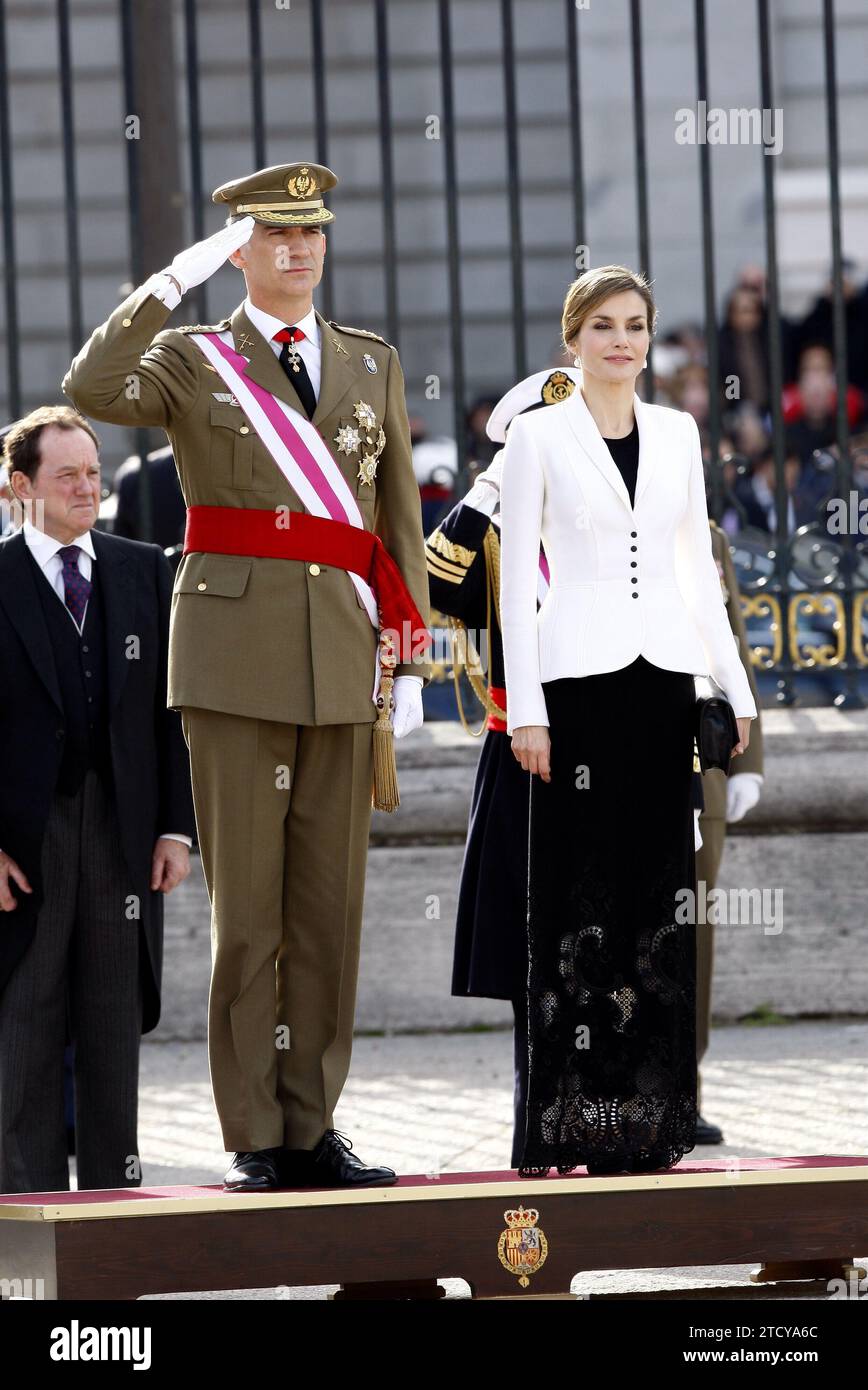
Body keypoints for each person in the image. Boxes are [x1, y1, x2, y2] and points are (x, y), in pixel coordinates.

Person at [63, 160, 433, 1193]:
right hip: (233, 663)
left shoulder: (371, 363)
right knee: (251, 915)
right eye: (274, 235)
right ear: (240, 248)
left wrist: (409, 650)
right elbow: (89, 388)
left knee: (329, 908)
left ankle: (314, 1124)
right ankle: (255, 1131)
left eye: (311, 232)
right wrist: (176, 278)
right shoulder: (194, 360)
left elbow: (392, 515)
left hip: (342, 657)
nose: (298, 249)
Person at [499, 265, 758, 1177]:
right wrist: (524, 711)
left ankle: (650, 1119)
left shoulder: (682, 433)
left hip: (661, 691)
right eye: (603, 326)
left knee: (659, 902)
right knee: (581, 904)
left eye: (636, 326)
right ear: (574, 338)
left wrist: (734, 687)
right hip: (575, 693)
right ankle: (575, 1118)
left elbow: (696, 573)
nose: (621, 342)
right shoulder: (537, 436)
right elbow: (509, 589)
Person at [0, 406, 195, 1193]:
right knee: (27, 1030)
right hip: (24, 842)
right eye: (67, 476)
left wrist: (177, 829)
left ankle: (115, 1222)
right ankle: (26, 1224)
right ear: (21, 487)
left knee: (114, 1031)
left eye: (92, 470)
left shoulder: (141, 566)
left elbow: (170, 711)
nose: (88, 487)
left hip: (122, 833)